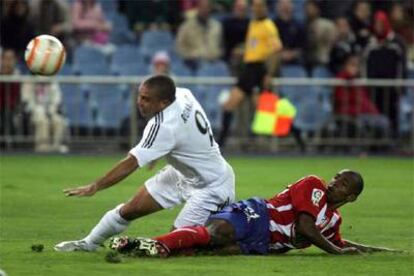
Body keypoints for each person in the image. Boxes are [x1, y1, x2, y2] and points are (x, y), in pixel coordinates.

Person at [54, 75, 235, 252]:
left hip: (212, 186)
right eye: (139, 96)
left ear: (163, 102)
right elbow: (179, 135)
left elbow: (131, 163)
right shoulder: (182, 94)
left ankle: (237, 246)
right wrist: (157, 153)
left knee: (176, 244)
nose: (139, 102)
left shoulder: (164, 125)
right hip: (183, 174)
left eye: (146, 99)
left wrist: (96, 185)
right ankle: (88, 243)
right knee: (130, 210)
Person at [110, 169, 400, 257]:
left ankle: (136, 245)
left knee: (204, 252)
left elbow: (340, 242)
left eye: (342, 184)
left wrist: (378, 251)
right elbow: (306, 229)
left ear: (351, 197)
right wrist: (337, 253)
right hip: (259, 215)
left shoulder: (334, 219)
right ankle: (157, 242)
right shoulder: (313, 186)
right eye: (336, 177)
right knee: (215, 234)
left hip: (266, 245)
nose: (334, 182)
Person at [218, 0, 283, 147]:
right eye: (255, 6)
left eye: (260, 6)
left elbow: (277, 50)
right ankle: (219, 144)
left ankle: (297, 138)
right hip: (249, 69)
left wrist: (269, 74)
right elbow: (256, 46)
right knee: (230, 104)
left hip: (260, 69)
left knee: (267, 110)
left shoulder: (269, 26)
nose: (257, 9)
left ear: (265, 8)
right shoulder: (253, 23)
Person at [21, 81, 69, 153]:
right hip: (34, 113)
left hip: (50, 112)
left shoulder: (53, 83)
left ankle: (56, 146)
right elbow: (26, 100)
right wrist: (38, 110)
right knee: (43, 121)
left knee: (58, 121)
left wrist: (51, 110)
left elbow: (57, 99)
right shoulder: (28, 83)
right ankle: (42, 146)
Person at [175, 0, 223, 71]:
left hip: (213, 62)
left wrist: (215, 54)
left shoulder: (217, 26)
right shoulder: (186, 27)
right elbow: (179, 47)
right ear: (197, 8)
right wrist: (191, 56)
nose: (205, 10)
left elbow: (221, 47)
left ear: (210, 9)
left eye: (207, 7)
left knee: (223, 67)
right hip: (192, 64)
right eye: (202, 7)